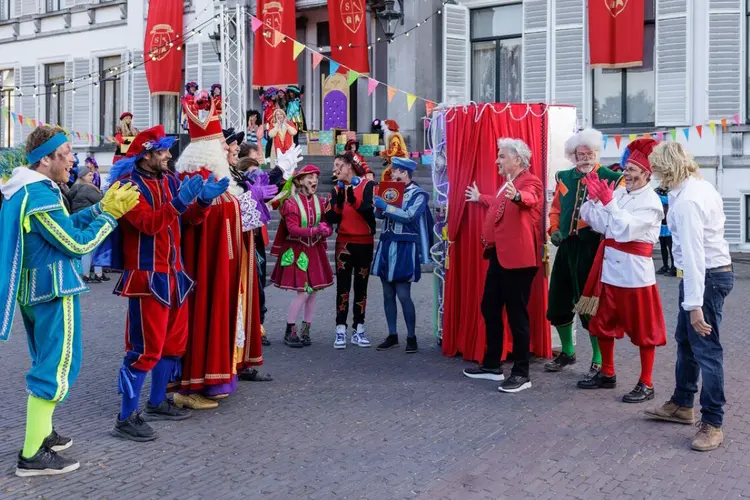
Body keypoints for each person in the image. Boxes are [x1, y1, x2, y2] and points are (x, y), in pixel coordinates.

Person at [0, 125, 138, 475]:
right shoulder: (41, 194)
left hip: (38, 289)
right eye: (67, 154)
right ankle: (32, 455)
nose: (73, 160)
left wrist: (98, 209)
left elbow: (62, 227)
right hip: (53, 289)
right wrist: (111, 216)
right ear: (46, 159)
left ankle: (42, 433)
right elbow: (76, 244)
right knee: (56, 366)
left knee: (49, 359)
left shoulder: (30, 189)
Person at [174, 96, 266, 407]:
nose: (227, 150)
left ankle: (217, 377)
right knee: (204, 317)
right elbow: (192, 220)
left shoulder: (217, 178)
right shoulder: (195, 179)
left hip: (224, 262)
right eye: (221, 145)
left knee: (221, 317)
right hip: (205, 264)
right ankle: (196, 383)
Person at [645, 142, 734, 452]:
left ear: (667, 169)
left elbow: (695, 257)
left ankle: (713, 422)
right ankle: (683, 403)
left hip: (706, 277)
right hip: (704, 276)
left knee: (706, 349)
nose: (653, 173)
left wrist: (694, 305)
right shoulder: (693, 188)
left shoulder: (688, 201)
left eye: (655, 167)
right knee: (686, 340)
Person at [573, 138, 667, 403]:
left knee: (643, 329)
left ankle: (646, 383)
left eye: (632, 171)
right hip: (610, 271)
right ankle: (608, 372)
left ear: (646, 173)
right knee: (602, 323)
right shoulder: (621, 193)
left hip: (635, 275)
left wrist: (609, 203)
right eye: (626, 170)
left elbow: (627, 231)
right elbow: (602, 225)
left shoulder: (652, 202)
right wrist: (593, 201)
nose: (627, 174)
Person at [462, 139, 543, 393]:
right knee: (490, 307)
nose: (497, 161)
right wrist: (480, 197)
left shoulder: (529, 182)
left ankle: (522, 373)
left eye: (501, 157)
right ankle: (492, 365)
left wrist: (518, 195)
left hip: (519, 260)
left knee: (517, 315)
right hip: (499, 256)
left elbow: (529, 199)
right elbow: (498, 205)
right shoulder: (505, 186)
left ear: (517, 160)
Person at [544, 128, 623, 378]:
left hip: (594, 249)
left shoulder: (611, 177)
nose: (585, 158)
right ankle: (568, 352)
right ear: (572, 155)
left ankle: (599, 360)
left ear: (597, 153)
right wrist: (554, 229)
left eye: (589, 153)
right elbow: (556, 208)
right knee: (558, 298)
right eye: (580, 154)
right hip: (567, 246)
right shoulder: (564, 177)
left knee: (591, 304)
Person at [372, 157, 434, 354]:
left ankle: (411, 336)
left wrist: (386, 206)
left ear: (405, 173)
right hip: (387, 244)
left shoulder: (419, 195)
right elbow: (380, 216)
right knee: (387, 293)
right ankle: (392, 335)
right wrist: (378, 206)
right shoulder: (390, 190)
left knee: (403, 295)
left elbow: (409, 216)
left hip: (404, 247)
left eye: (395, 171)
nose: (392, 174)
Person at [270, 164, 334, 347]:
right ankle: (290, 330)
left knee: (312, 292)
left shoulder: (320, 202)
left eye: (315, 177)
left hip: (314, 250)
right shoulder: (291, 203)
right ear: (299, 181)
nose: (314, 181)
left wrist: (326, 231)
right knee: (303, 292)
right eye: (310, 177)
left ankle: (306, 330)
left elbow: (325, 224)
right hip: (298, 251)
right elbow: (293, 229)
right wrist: (315, 230)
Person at [326, 152, 376, 349]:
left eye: (339, 165)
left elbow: (366, 210)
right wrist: (338, 201)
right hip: (344, 243)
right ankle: (340, 328)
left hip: (364, 242)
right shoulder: (336, 189)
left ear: (349, 166)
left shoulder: (367, 185)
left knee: (361, 287)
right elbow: (331, 218)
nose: (335, 169)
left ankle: (359, 328)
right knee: (343, 287)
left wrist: (351, 196)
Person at [67, 165, 109, 283]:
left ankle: (92, 273)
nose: (92, 176)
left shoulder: (74, 188)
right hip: (90, 219)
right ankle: (93, 274)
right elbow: (101, 202)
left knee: (87, 247)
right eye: (89, 175)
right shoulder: (88, 189)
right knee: (93, 247)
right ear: (83, 177)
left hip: (79, 219)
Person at [655, 186, 676, 276]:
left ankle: (674, 268)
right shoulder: (657, 194)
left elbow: (667, 201)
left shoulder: (671, 195)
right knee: (663, 247)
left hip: (669, 226)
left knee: (671, 248)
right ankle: (665, 266)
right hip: (662, 225)